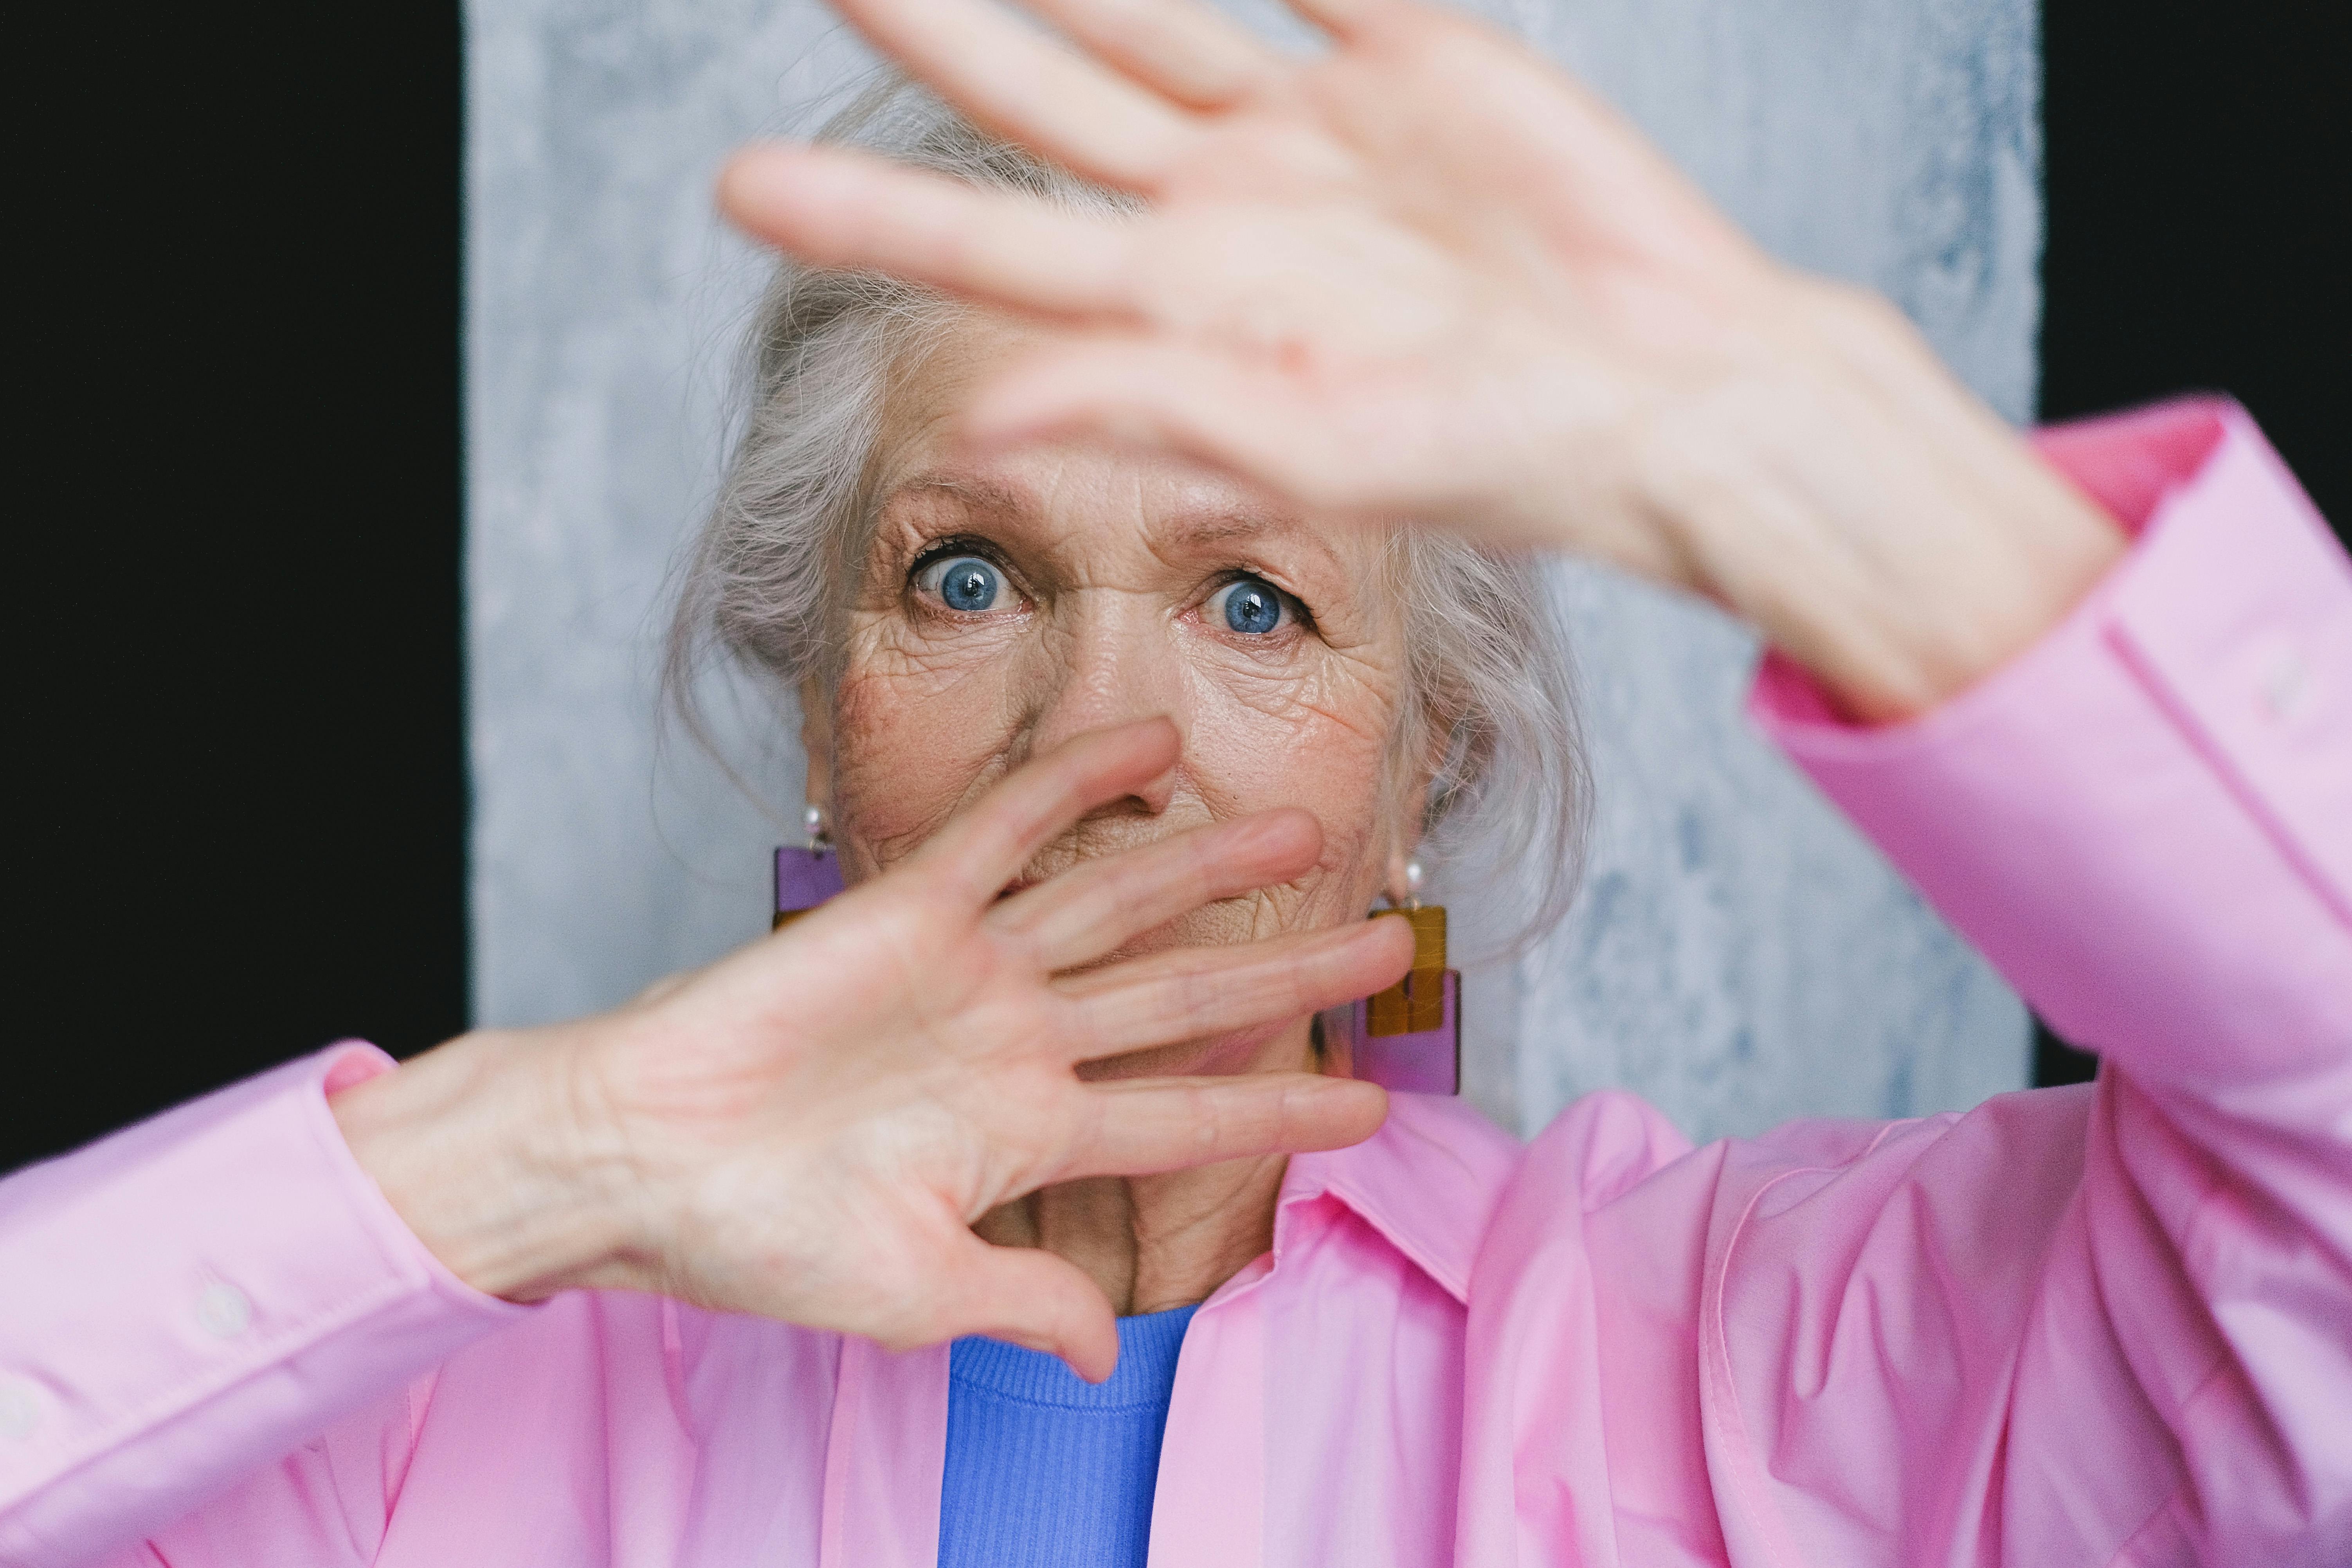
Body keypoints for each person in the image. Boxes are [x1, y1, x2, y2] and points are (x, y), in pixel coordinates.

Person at [4, 0, 2346, 1563]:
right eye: (964, 581)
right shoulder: (443, 1414)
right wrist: (554, 1152)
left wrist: (1816, 458)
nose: (1099, 746)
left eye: (1255, 604)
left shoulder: (1724, 1362)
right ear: (826, 711)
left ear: (1424, 757)